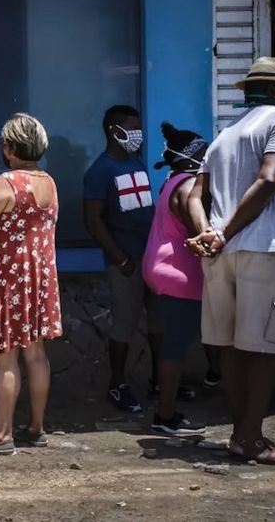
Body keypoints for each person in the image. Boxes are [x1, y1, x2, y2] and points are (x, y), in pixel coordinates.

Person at [187, 57, 275, 465]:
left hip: (222, 256)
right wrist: (223, 233)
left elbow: (194, 196)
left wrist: (210, 233)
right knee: (265, 349)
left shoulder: (225, 134)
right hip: (265, 248)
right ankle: (252, 438)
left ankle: (242, 435)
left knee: (231, 349)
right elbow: (269, 179)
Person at [0, 113, 62, 455]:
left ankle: (2, 435)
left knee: (6, 358)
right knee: (36, 354)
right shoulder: (49, 181)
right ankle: (36, 427)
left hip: (11, 276)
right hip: (42, 276)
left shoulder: (7, 182)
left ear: (9, 148)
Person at [84, 105, 184, 413]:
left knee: (158, 321)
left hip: (151, 257)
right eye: (133, 128)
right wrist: (121, 257)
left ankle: (159, 382)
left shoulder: (138, 164)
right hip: (124, 262)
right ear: (115, 131)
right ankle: (118, 384)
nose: (138, 135)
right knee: (124, 323)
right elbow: (93, 220)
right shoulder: (100, 171)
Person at [142, 122, 211, 436]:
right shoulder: (188, 187)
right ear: (195, 156)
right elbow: (201, 233)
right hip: (179, 271)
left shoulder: (171, 181)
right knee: (176, 344)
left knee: (174, 340)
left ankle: (166, 405)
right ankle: (165, 415)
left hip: (160, 265)